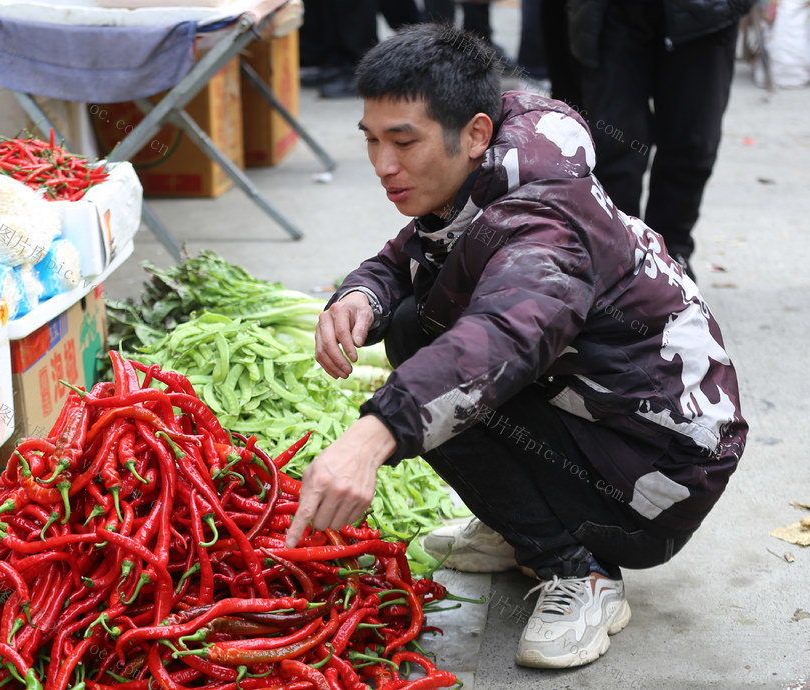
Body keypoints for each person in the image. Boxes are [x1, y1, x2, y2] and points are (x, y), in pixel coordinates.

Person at [283, 23, 747, 670]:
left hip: (659, 476)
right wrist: (363, 294)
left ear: (473, 132)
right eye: (372, 140)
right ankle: (522, 525)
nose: (384, 165)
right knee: (417, 324)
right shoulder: (490, 157)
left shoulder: (543, 222)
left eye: (404, 142)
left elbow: (502, 336)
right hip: (611, 422)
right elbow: (414, 251)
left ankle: (579, 572)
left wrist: (375, 433)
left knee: (438, 362)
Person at [568, 0, 756, 278]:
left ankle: (670, 258)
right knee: (612, 142)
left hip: (705, 14)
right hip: (611, 12)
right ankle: (615, 260)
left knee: (692, 140)